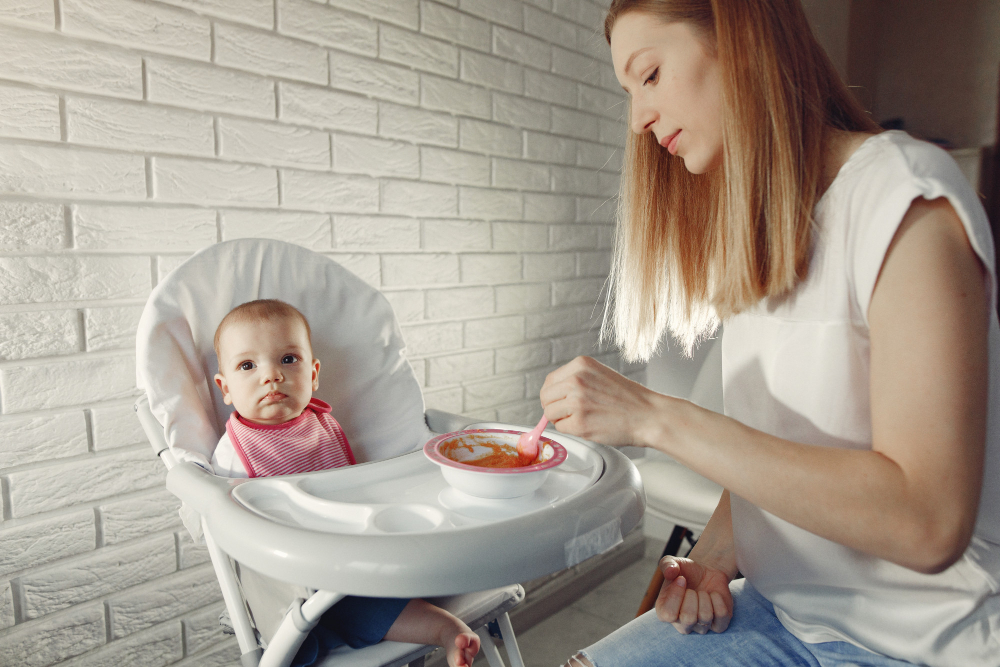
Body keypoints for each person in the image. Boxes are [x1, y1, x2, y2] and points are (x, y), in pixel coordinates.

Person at [540, 1, 1000, 666]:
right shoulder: (767, 235)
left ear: (739, 39)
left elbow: (927, 522)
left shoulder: (905, 199)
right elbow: (786, 452)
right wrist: (713, 556)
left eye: (649, 76)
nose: (637, 119)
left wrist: (655, 417)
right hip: (785, 615)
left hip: (923, 645)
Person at [211, 299, 480, 667]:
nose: (271, 375)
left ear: (314, 374)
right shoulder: (233, 454)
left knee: (406, 583)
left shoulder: (323, 427)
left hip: (354, 554)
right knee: (340, 614)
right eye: (248, 365)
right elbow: (227, 524)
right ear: (225, 389)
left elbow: (354, 489)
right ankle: (440, 627)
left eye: (288, 359)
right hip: (297, 578)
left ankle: (444, 623)